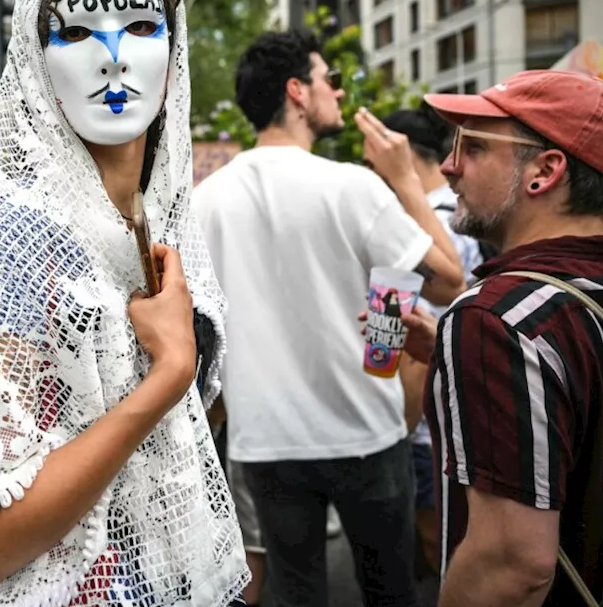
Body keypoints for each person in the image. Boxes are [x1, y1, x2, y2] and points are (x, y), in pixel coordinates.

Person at [0, 0, 249, 605]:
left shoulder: (167, 218)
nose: (113, 58)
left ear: (174, 52)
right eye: (78, 33)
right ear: (35, 61)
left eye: (141, 26)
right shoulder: (12, 241)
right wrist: (167, 374)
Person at [193, 30, 465, 607]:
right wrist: (406, 179)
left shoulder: (206, 200)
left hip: (263, 438)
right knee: (389, 590)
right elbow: (449, 278)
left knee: (297, 595)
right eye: (330, 81)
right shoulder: (352, 186)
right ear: (298, 91)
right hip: (364, 428)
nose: (339, 94)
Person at [411, 70, 603, 605]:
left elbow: (513, 567)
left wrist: (477, 346)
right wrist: (458, 366)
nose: (449, 165)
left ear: (545, 170)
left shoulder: (495, 318)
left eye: (472, 145)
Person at [382, 106, 486, 580]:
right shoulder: (457, 214)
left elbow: (388, 318)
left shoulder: (426, 225)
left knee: (436, 544)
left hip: (423, 420)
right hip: (440, 411)